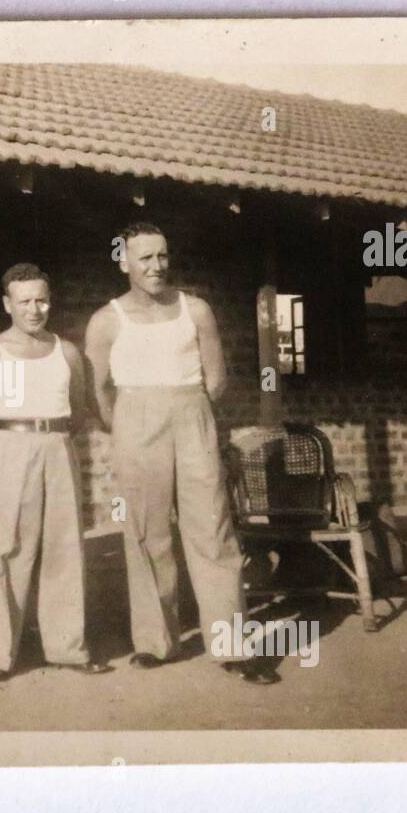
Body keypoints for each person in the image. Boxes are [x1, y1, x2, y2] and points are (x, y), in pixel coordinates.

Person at [84, 223, 277, 684]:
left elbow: (216, 378)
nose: (156, 266)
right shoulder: (106, 319)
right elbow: (94, 391)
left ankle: (230, 643)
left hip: (192, 414)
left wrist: (190, 413)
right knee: (148, 531)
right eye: (145, 258)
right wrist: (129, 421)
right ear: (124, 262)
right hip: (136, 419)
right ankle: (155, 641)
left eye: (162, 256)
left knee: (212, 526)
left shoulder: (197, 310)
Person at [0, 263, 112, 681]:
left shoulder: (66, 351)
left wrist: (49, 438)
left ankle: (67, 647)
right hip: (6, 446)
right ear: (7, 304)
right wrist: (4, 444)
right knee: (4, 549)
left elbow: (77, 407)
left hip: (56, 445)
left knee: (64, 547)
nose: (35, 309)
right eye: (25, 302)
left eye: (42, 300)